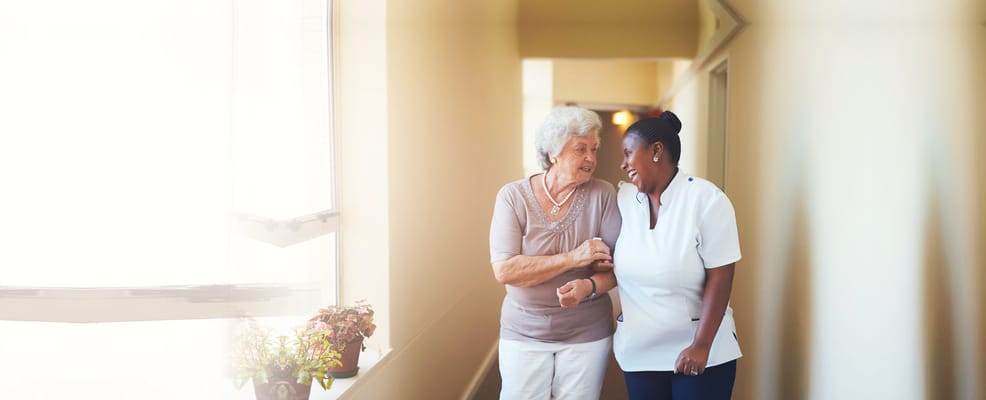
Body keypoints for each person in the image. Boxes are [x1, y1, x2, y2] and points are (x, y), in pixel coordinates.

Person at [489, 105, 621, 400]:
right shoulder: (513, 197)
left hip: (586, 333)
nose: (591, 158)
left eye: (594, 149)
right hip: (523, 331)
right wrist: (575, 258)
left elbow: (615, 269)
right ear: (553, 153)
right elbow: (505, 270)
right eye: (580, 149)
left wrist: (587, 286)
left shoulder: (603, 194)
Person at [612, 111, 742, 400]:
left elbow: (721, 277)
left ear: (657, 151)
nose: (623, 164)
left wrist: (702, 345)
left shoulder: (707, 200)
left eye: (628, 153)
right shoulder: (623, 201)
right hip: (640, 353)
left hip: (698, 351)